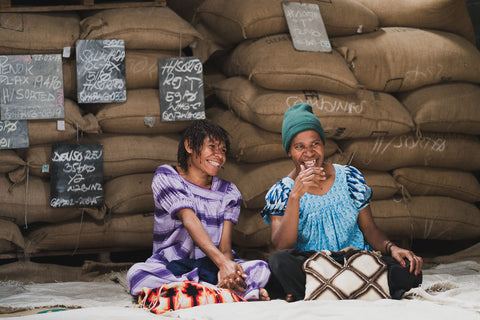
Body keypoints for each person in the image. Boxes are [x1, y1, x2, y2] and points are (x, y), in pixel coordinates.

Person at [261, 103, 423, 301]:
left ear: (323, 145)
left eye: (315, 144)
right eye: (299, 147)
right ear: (289, 151)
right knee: (278, 262)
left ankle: (323, 291)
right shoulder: (283, 191)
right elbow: (281, 246)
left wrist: (392, 248)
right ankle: (357, 288)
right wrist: (295, 196)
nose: (309, 153)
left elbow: (370, 229)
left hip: (355, 261)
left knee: (410, 269)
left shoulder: (349, 177)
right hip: (314, 267)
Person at [127, 119, 271, 301]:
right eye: (212, 147)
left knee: (260, 268)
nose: (219, 155)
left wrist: (225, 268)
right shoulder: (167, 175)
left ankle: (196, 292)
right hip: (173, 264)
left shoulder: (229, 192)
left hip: (211, 266)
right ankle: (222, 292)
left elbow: (225, 246)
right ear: (189, 146)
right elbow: (189, 219)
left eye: (223, 150)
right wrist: (223, 263)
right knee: (137, 274)